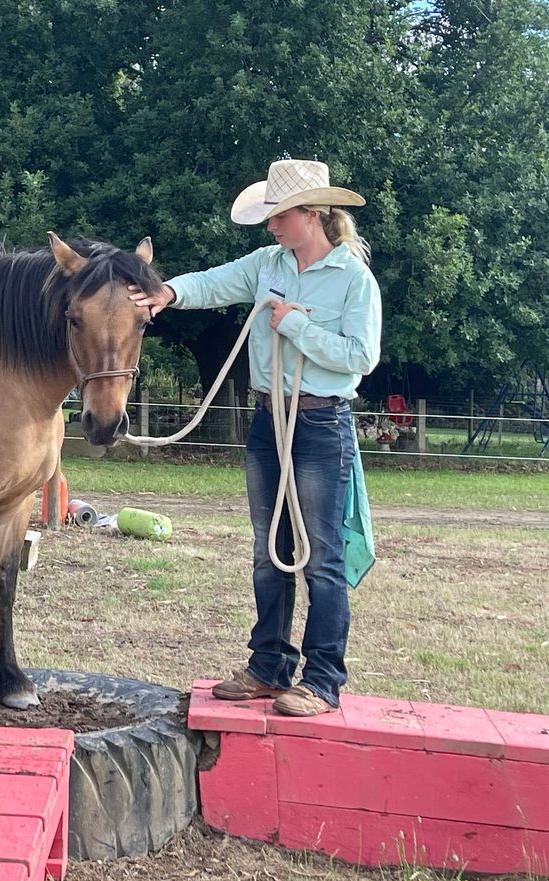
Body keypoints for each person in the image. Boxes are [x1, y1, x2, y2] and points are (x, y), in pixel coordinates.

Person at [132, 159, 382, 716]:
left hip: (320, 423)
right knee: (269, 552)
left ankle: (321, 680)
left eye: (280, 214)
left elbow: (360, 359)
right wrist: (167, 293)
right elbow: (214, 281)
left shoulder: (353, 280)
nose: (271, 225)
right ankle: (268, 667)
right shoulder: (268, 264)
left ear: (311, 215)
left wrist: (294, 324)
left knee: (320, 557)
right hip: (269, 419)